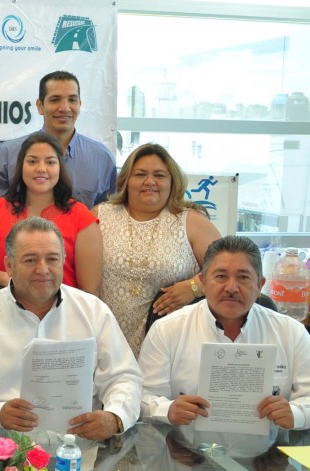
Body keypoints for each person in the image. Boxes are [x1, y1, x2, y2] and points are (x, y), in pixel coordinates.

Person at [0, 217, 141, 439]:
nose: (43, 269)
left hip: (80, 448)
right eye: (30, 260)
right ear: (9, 266)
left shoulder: (93, 310)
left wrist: (115, 416)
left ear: (63, 261)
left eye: (52, 259)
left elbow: (125, 378)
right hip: (2, 447)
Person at [138, 235, 310, 430]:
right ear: (203, 283)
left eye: (243, 277)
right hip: (183, 446)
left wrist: (296, 413)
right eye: (221, 276)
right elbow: (141, 396)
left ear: (260, 286)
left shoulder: (290, 332)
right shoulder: (167, 329)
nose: (231, 288)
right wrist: (167, 410)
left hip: (267, 450)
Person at [94, 143, 221, 356]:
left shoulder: (192, 222)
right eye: (140, 174)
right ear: (125, 180)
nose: (150, 182)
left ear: (172, 182)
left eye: (159, 175)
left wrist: (194, 287)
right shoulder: (100, 215)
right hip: (107, 342)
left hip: (171, 345)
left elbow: (227, 270)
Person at [0, 131, 102, 294]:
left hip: (64, 308)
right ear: (21, 166)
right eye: (32, 161)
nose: (41, 169)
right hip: (5, 305)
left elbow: (90, 291)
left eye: (50, 162)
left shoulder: (82, 218)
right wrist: (15, 281)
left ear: (60, 167)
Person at [0, 70, 116, 208]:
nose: (65, 108)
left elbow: (111, 216)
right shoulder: (8, 153)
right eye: (55, 100)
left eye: (72, 100)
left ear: (79, 104)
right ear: (40, 106)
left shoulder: (102, 158)